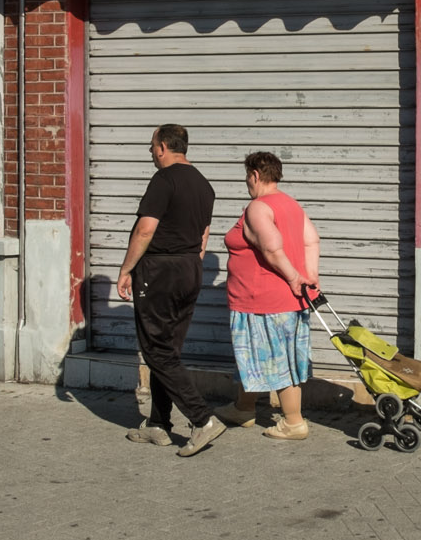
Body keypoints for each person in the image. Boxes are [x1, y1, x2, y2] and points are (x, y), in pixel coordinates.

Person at [116, 124, 225, 457]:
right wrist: (189, 265)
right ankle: (158, 425)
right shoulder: (204, 186)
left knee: (156, 350)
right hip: (190, 267)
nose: (150, 152)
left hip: (160, 270)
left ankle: (202, 419)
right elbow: (204, 237)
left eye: (151, 146)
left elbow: (145, 230)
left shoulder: (164, 180)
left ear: (163, 147)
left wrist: (126, 269)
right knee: (169, 349)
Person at [214, 151, 321, 440]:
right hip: (284, 300)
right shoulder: (290, 204)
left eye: (247, 176)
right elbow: (311, 239)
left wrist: (293, 276)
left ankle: (293, 422)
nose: (247, 182)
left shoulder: (259, 207)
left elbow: (272, 247)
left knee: (276, 360)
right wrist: (310, 277)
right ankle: (243, 408)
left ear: (255, 175)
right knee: (249, 357)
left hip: (262, 300)